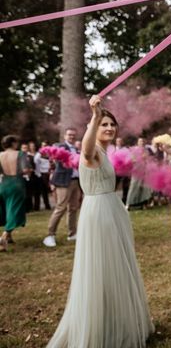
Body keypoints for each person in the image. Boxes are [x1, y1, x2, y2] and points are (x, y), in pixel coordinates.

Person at [48, 95, 154, 347]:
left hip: (113, 211)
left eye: (111, 125)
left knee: (118, 266)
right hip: (98, 214)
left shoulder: (105, 153)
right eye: (104, 125)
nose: (109, 128)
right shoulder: (91, 152)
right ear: (94, 128)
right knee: (102, 268)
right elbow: (84, 148)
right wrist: (95, 115)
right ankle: (100, 327)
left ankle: (120, 321)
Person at [43, 128, 81, 247]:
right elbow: (54, 158)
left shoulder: (76, 149)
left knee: (73, 208)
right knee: (61, 207)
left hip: (76, 181)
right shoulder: (59, 146)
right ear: (65, 136)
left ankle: (72, 233)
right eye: (69, 135)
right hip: (63, 182)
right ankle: (50, 235)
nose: (72, 137)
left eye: (74, 135)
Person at [0, 135, 28, 251]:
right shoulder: (20, 154)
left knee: (7, 209)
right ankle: (4, 236)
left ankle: (9, 237)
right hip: (16, 184)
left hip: (3, 185)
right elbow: (25, 169)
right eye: (16, 142)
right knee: (15, 210)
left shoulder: (0, 155)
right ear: (13, 143)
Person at [125, 138, 153, 210]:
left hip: (145, 170)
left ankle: (143, 204)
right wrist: (140, 158)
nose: (142, 142)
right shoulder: (134, 150)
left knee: (144, 188)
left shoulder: (146, 150)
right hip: (136, 170)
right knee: (133, 187)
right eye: (140, 141)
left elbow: (149, 160)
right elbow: (132, 160)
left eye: (143, 141)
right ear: (138, 142)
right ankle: (128, 204)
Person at [33, 141, 52, 210]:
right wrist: (38, 174)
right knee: (41, 191)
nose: (45, 147)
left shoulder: (50, 153)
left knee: (47, 191)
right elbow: (36, 164)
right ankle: (37, 206)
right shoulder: (38, 154)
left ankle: (47, 205)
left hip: (48, 173)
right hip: (41, 174)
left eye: (46, 145)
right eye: (43, 145)